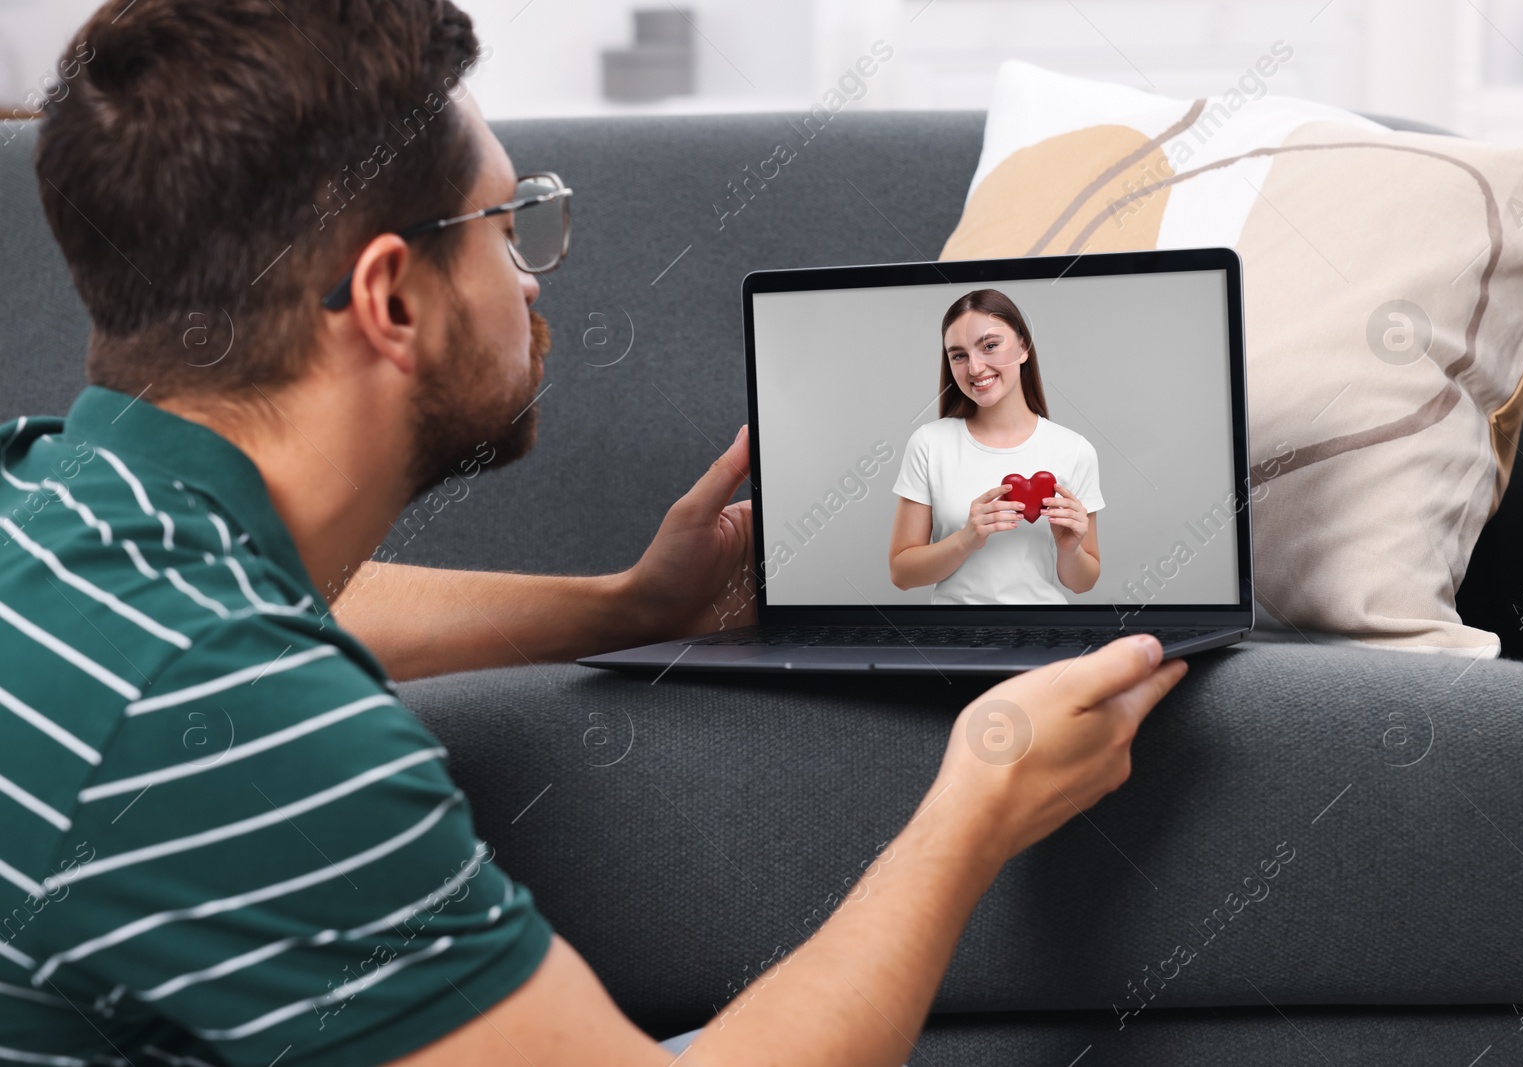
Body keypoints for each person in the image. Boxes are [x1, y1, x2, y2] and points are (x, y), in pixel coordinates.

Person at [0, 2, 1187, 1065]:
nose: (529, 277)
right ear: (393, 298)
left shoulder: (56, 514)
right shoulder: (234, 719)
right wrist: (975, 809)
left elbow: (294, 603)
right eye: (505, 225)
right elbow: (234, 666)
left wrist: (634, 604)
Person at [889, 289, 1106, 604]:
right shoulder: (929, 443)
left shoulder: (1075, 450)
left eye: (990, 346)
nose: (975, 368)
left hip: (1041, 636)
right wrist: (966, 539)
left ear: (1022, 347)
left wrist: (1069, 549)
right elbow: (902, 574)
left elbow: (1082, 584)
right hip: (954, 639)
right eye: (959, 355)